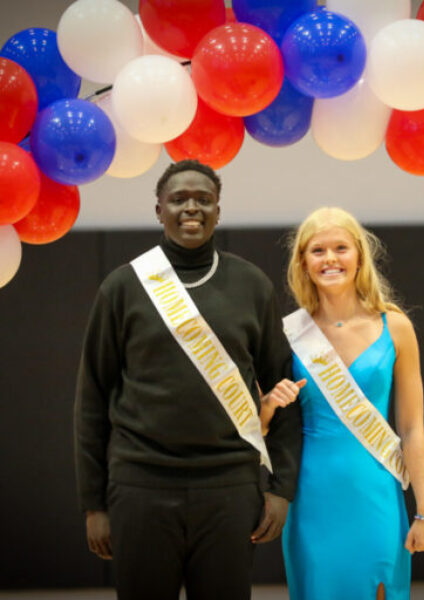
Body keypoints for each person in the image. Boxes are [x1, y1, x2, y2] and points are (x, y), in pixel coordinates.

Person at [74, 159, 303, 600]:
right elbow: (91, 402)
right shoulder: (121, 287)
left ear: (219, 209)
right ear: (159, 210)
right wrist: (94, 504)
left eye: (203, 199)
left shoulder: (251, 285)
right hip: (140, 486)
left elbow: (286, 391)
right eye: (178, 199)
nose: (191, 208)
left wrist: (281, 489)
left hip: (230, 489)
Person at [261, 207, 424, 600]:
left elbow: (412, 429)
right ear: (303, 263)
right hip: (311, 495)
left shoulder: (396, 327)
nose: (330, 259)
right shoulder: (287, 334)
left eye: (340, 248)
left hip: (375, 488)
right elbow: (259, 428)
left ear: (359, 255)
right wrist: (269, 405)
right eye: (317, 250)